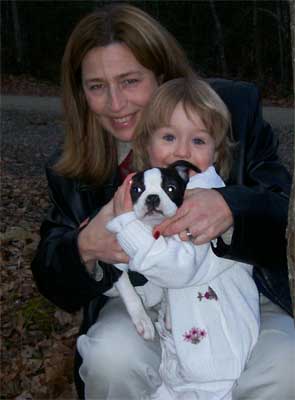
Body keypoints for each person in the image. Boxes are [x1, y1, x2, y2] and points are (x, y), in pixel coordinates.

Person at [30, 3, 294, 400]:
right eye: (97, 86)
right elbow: (52, 277)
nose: (116, 103)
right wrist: (84, 247)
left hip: (235, 291)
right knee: (110, 360)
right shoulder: (73, 167)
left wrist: (230, 207)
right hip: (148, 301)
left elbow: (279, 206)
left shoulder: (230, 110)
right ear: (80, 93)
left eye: (130, 80)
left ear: (162, 74)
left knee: (286, 367)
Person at [77, 77, 260, 400]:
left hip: (219, 350)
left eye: (199, 141)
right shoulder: (158, 194)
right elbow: (146, 283)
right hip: (183, 345)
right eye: (169, 137)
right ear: (146, 144)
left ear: (217, 151)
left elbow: (174, 270)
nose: (182, 151)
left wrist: (124, 225)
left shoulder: (207, 201)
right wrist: (105, 256)